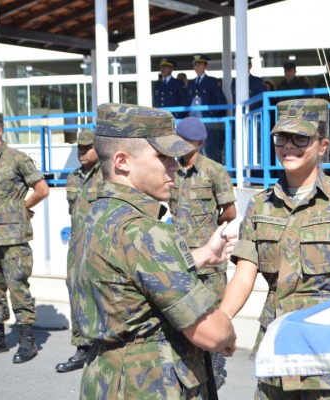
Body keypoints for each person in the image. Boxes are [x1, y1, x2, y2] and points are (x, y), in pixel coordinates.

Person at [70, 103, 237, 399]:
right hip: (149, 384)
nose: (174, 164)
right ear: (123, 161)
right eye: (162, 156)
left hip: (106, 381)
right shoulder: (146, 232)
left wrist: (203, 255)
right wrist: (227, 329)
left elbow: (128, 276)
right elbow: (210, 333)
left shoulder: (93, 216)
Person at [220, 99, 330, 400]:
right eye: (281, 137)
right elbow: (243, 277)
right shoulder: (260, 205)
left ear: (322, 145)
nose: (289, 146)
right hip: (276, 358)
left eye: (301, 138)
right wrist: (221, 319)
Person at [0, 112, 49, 363]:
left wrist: (22, 207)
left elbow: (42, 189)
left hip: (13, 237)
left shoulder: (17, 158)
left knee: (18, 288)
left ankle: (27, 341)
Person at [168, 116, 237, 389]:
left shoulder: (213, 171)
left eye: (186, 141)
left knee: (213, 311)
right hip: (182, 257)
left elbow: (230, 212)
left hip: (209, 261)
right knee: (186, 314)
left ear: (198, 142)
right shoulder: (172, 170)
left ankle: (217, 364)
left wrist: (213, 238)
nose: (181, 146)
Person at [55, 128, 101, 373]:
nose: (81, 152)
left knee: (101, 295)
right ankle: (81, 348)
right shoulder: (72, 177)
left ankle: (101, 346)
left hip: (100, 246)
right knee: (76, 294)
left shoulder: (107, 176)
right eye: (79, 148)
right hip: (77, 246)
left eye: (87, 148)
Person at [187, 53, 228, 164]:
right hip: (194, 122)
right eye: (195, 65)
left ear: (206, 66)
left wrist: (213, 116)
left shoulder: (211, 81)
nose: (197, 67)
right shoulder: (191, 83)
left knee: (211, 151)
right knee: (195, 150)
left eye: (200, 65)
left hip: (208, 122)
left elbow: (220, 100)